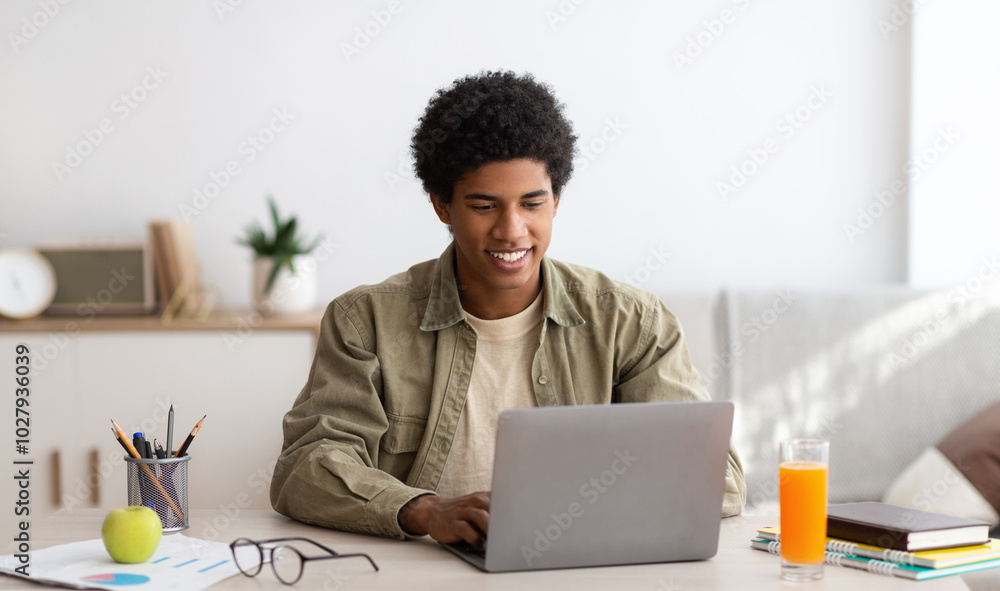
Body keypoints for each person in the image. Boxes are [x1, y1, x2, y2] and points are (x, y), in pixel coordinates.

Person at [270, 70, 746, 550]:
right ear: (442, 205)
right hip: (420, 571)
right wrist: (426, 510)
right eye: (484, 207)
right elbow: (305, 468)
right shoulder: (364, 321)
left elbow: (719, 481)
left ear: (556, 202)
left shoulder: (631, 321)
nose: (512, 230)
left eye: (532, 203)